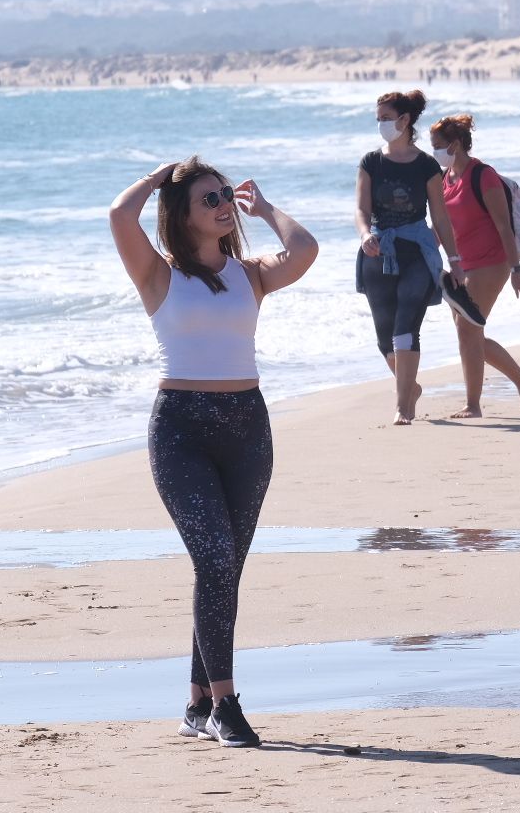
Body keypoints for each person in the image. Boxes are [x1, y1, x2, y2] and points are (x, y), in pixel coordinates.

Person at [108, 156, 318, 748]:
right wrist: (158, 178)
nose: (222, 204)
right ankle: (227, 704)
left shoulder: (250, 274)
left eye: (225, 194)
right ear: (182, 213)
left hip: (248, 429)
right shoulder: (157, 274)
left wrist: (265, 206)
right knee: (216, 561)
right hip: (181, 429)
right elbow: (119, 214)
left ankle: (196, 704)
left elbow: (305, 250)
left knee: (225, 568)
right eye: (210, 198)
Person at [357, 88, 475, 426]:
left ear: (405, 120)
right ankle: (410, 387)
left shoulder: (426, 165)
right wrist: (366, 235)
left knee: (405, 325)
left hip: (417, 253)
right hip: (378, 251)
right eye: (378, 119)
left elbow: (440, 217)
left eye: (386, 119)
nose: (381, 124)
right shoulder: (370, 162)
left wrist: (454, 261)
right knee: (384, 337)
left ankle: (403, 407)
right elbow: (361, 209)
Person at [430, 114, 520, 418]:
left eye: (438, 146)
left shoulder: (483, 176)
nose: (434, 152)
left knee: (468, 328)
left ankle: (473, 405)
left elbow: (504, 227)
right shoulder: (443, 179)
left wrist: (517, 271)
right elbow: (441, 226)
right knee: (470, 334)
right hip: (461, 264)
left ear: (455, 144)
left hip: (492, 262)